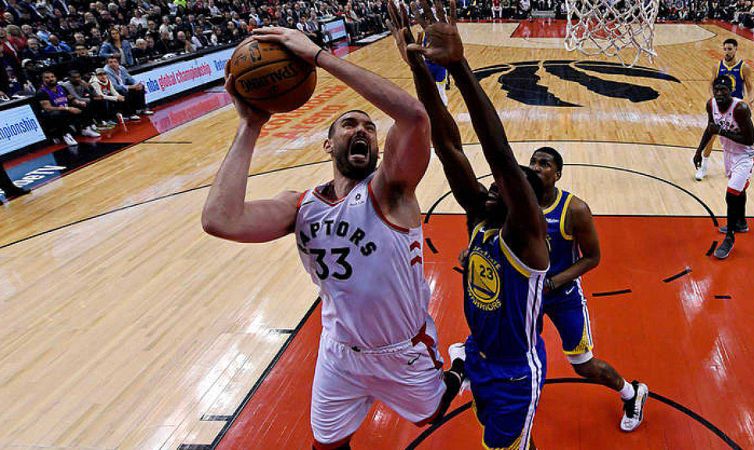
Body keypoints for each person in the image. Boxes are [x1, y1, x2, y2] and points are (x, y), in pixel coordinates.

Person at [201, 27, 465, 450]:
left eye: (369, 127)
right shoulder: (299, 206)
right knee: (326, 445)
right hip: (338, 353)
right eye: (349, 124)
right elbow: (220, 220)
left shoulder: (390, 190)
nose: (361, 130)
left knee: (431, 413)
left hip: (401, 350)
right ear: (328, 144)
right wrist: (250, 125)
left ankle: (459, 368)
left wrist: (319, 57)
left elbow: (415, 118)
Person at [389, 2, 548, 448]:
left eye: (506, 185)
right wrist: (420, 70)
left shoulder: (526, 237)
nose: (492, 187)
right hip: (479, 353)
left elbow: (499, 155)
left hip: (515, 372)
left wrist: (460, 68)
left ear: (525, 200)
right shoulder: (482, 216)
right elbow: (447, 145)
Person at [526, 146, 648, 432]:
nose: (536, 168)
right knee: (522, 352)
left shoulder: (575, 209)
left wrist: (554, 282)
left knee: (582, 364)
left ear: (558, 174)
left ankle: (632, 392)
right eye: (533, 162)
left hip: (563, 297)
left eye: (544, 164)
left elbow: (592, 258)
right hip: (529, 296)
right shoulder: (519, 202)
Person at [694, 76, 754, 259]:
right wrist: (699, 151)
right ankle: (741, 223)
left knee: (731, 193)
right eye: (716, 90)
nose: (719, 93)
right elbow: (710, 128)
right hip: (729, 151)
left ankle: (730, 238)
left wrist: (722, 131)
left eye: (723, 90)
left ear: (731, 90)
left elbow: (749, 140)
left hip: (746, 154)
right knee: (738, 189)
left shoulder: (740, 109)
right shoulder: (711, 105)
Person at [696, 38, 754, 181]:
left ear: (736, 49)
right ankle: (703, 167)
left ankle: (740, 166)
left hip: (736, 109)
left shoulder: (744, 67)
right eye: (725, 49)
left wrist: (749, 102)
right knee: (711, 136)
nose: (727, 52)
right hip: (722, 107)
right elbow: (711, 84)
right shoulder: (717, 66)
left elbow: (750, 87)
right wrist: (714, 99)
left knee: (740, 139)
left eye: (730, 49)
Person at [36, 70, 100, 146]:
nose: (51, 79)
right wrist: (68, 108)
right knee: (57, 113)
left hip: (66, 109)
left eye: (52, 77)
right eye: (47, 77)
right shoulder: (41, 92)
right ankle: (66, 135)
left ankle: (85, 129)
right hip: (53, 114)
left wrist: (78, 102)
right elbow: (48, 108)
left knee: (83, 104)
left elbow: (71, 98)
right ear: (43, 80)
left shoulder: (61, 87)